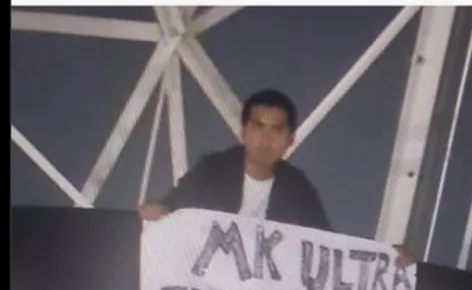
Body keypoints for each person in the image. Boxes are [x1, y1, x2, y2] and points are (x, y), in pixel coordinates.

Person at [139, 88, 414, 266]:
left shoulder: (297, 187)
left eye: (276, 130)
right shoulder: (213, 169)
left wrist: (384, 258)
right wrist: (157, 212)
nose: (265, 139)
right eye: (258, 128)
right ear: (244, 131)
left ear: (289, 139)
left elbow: (326, 245)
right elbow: (173, 209)